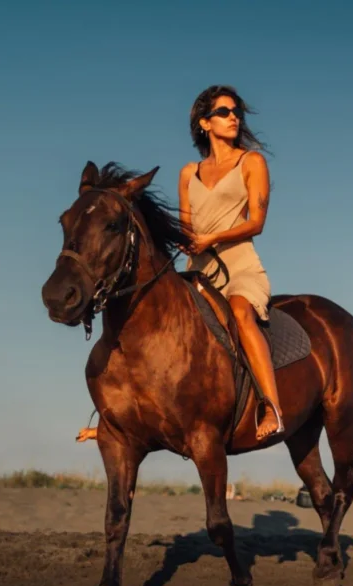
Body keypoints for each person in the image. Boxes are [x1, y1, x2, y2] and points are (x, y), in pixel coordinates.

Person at [76, 85, 284, 444]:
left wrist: (211, 239)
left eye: (235, 111)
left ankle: (271, 407)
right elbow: (187, 225)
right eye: (223, 112)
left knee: (239, 312)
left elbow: (257, 222)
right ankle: (119, 417)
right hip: (198, 268)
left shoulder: (251, 162)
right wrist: (184, 241)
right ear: (205, 122)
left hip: (239, 267)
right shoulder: (189, 172)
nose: (233, 117)